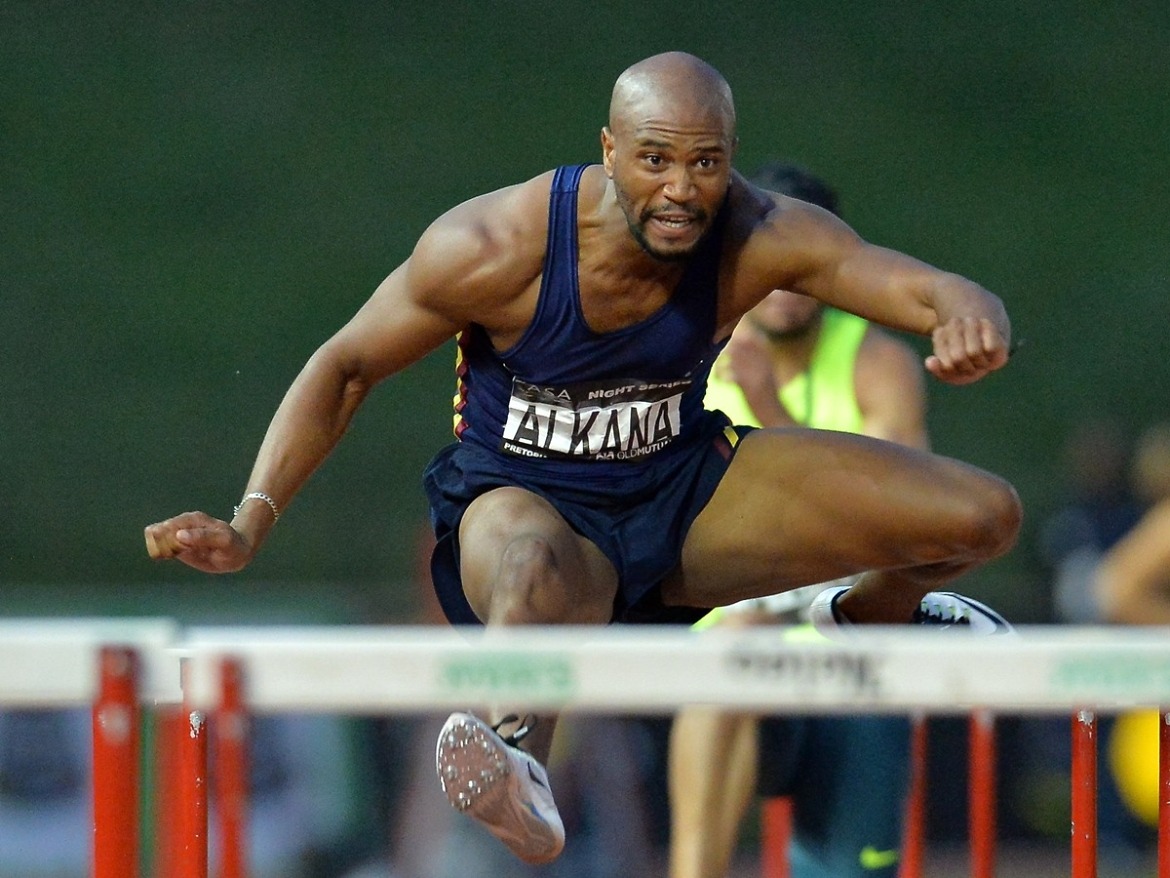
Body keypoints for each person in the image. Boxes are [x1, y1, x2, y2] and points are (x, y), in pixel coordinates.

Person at [144, 51, 1022, 866]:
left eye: (706, 163)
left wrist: (968, 308)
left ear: (730, 160)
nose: (681, 190)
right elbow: (344, 368)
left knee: (981, 517)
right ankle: (519, 758)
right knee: (533, 560)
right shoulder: (494, 246)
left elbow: (891, 276)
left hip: (681, 495)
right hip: (527, 507)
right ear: (608, 149)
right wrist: (250, 520)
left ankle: (868, 620)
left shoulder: (753, 229)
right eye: (655, 161)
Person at [668, 162, 928, 878]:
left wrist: (770, 409)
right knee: (734, 653)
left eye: (800, 268)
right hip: (740, 643)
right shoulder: (686, 357)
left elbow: (903, 520)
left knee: (852, 867)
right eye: (766, 266)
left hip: (852, 651)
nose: (782, 287)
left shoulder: (877, 365)